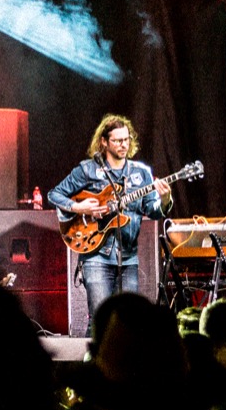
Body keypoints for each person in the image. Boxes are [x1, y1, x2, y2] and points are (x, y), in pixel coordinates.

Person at [48, 115, 172, 321]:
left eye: (127, 139)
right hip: (96, 255)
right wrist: (80, 207)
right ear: (104, 141)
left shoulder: (141, 173)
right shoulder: (88, 169)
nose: (124, 144)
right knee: (100, 320)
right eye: (118, 140)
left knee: (129, 321)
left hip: (128, 257)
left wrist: (165, 199)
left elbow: (153, 211)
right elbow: (54, 194)